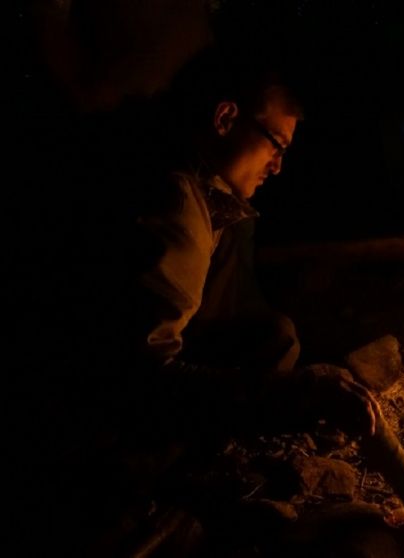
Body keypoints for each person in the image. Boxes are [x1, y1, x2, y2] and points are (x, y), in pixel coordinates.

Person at [12, 45, 381, 556]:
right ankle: (151, 511)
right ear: (226, 117)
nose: (278, 167)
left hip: (113, 405)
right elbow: (142, 381)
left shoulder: (208, 196)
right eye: (276, 144)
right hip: (82, 443)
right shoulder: (172, 201)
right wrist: (298, 397)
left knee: (273, 338)